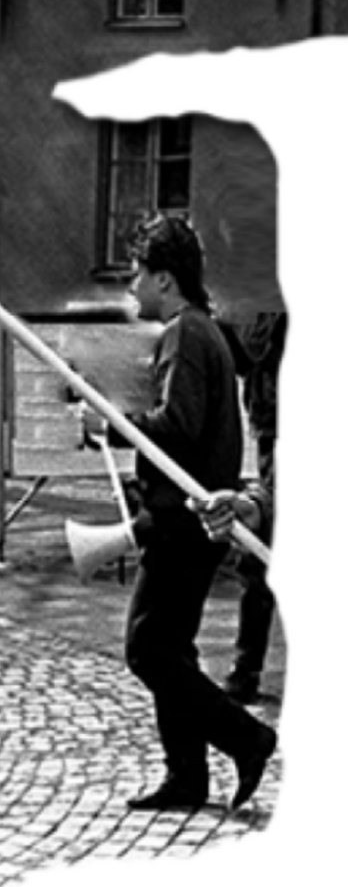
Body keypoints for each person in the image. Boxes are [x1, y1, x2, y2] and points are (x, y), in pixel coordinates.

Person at [82, 213, 277, 812]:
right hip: (192, 518)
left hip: (183, 522)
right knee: (172, 648)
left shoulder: (186, 334)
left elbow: (179, 425)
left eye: (138, 274)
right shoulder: (200, 332)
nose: (132, 287)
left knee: (147, 649)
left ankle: (247, 739)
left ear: (165, 278)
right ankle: (186, 775)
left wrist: (114, 425)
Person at [215, 306, 287, 703]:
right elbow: (244, 357)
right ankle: (246, 668)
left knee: (261, 556)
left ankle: (246, 669)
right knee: (259, 555)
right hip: (272, 427)